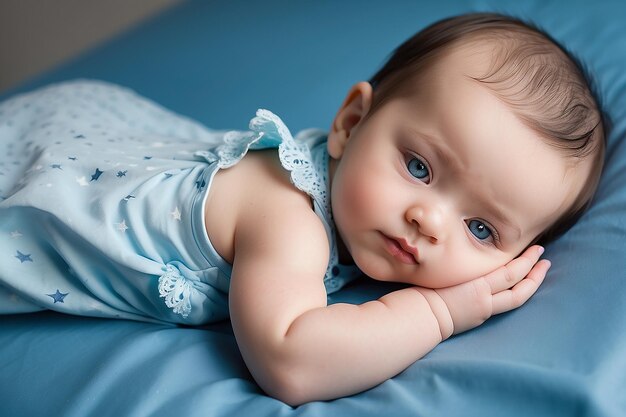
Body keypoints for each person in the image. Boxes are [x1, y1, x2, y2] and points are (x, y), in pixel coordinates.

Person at [0, 13, 605, 405]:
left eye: (480, 228)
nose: (429, 220)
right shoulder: (288, 217)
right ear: (350, 123)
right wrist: (440, 312)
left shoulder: (348, 191)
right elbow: (291, 360)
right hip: (49, 187)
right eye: (418, 167)